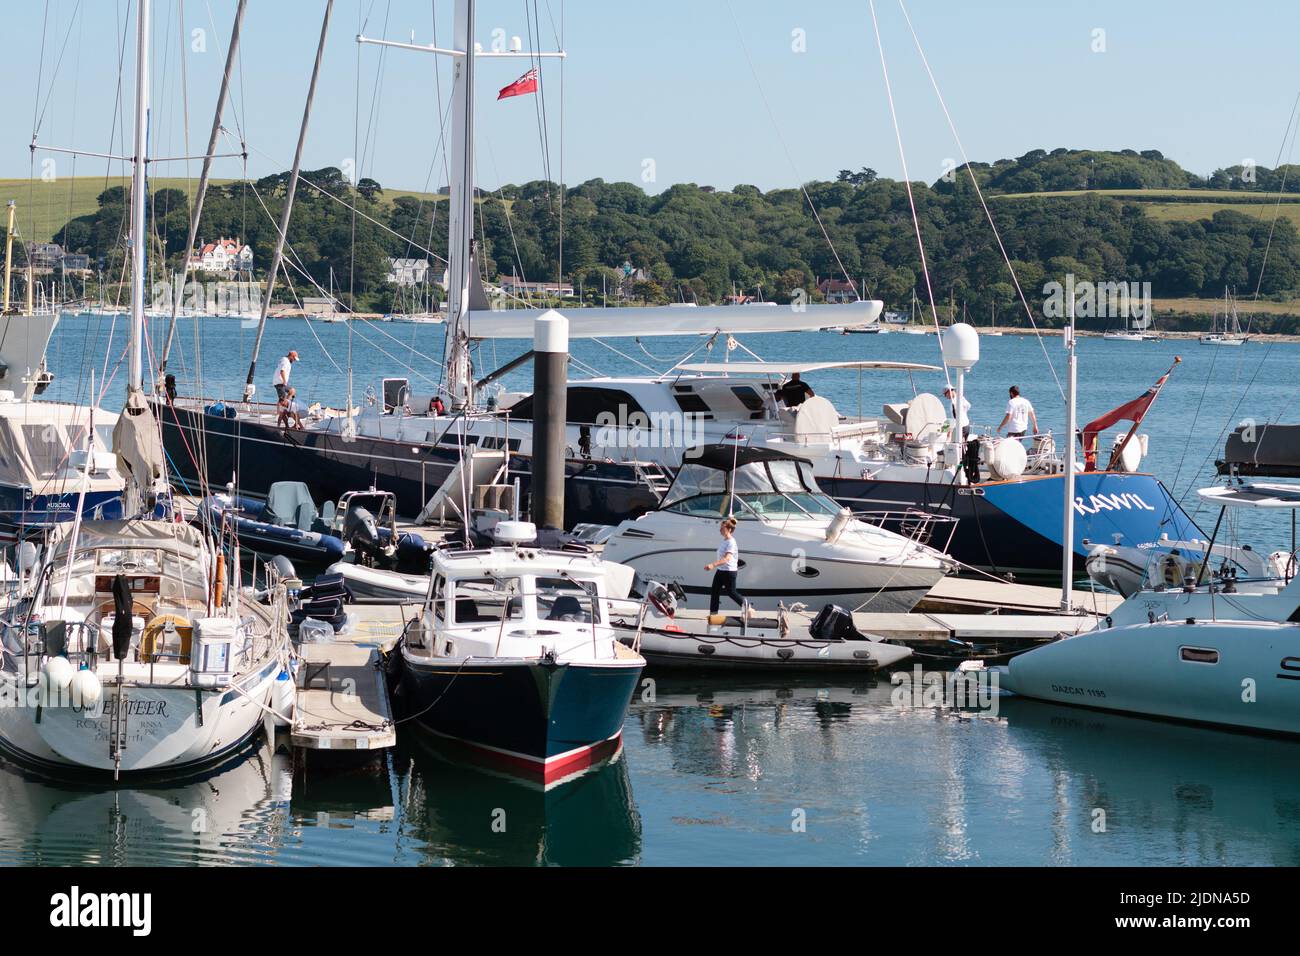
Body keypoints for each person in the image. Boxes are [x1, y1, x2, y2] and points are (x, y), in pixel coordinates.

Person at [703, 517, 746, 616]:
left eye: (723, 528)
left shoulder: (731, 542)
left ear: (729, 529)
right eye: (720, 528)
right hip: (721, 571)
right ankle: (713, 614)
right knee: (714, 591)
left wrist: (713, 564)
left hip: (729, 572)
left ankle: (747, 606)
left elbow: (727, 558)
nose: (720, 530)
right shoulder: (725, 541)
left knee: (731, 593)